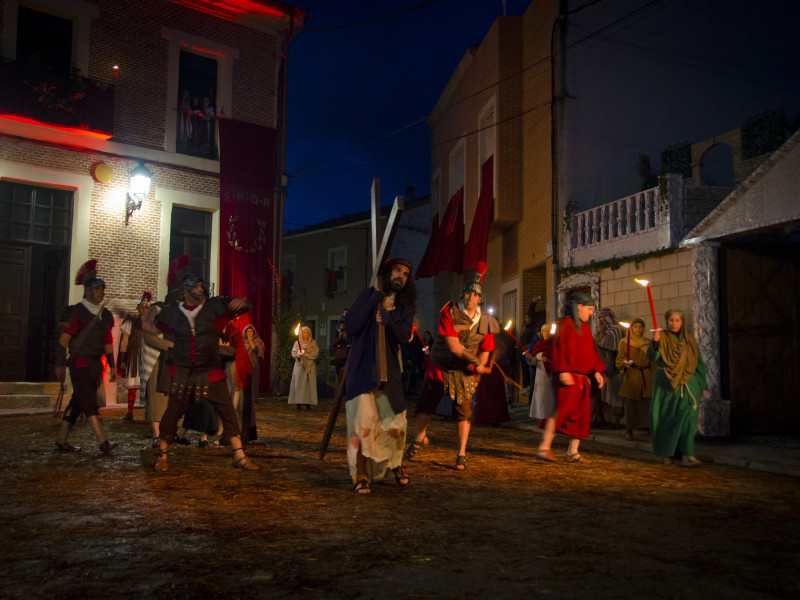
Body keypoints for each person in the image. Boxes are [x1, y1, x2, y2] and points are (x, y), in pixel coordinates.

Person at [142, 265, 257, 472]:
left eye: (201, 286)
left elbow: (243, 307)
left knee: (228, 412)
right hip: (184, 373)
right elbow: (152, 327)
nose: (200, 289)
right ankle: (163, 456)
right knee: (172, 414)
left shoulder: (213, 307)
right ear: (186, 291)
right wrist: (147, 321)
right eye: (196, 287)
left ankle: (239, 456)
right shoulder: (174, 313)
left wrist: (244, 303)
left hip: (210, 370)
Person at [404, 265, 498, 470]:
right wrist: (476, 362)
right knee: (426, 407)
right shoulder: (449, 312)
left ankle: (461, 453)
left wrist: (482, 364)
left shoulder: (486, 321)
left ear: (480, 299)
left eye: (475, 294)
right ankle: (418, 439)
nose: (470, 296)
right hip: (441, 366)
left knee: (463, 413)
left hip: (463, 373)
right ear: (462, 294)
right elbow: (454, 348)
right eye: (468, 292)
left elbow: (486, 348)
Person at [345, 258, 416, 494]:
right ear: (387, 273)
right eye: (397, 270)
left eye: (406, 274)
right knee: (363, 423)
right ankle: (361, 474)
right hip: (363, 367)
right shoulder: (367, 295)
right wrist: (373, 301)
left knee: (395, 422)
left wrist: (388, 321)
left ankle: (394, 463)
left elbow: (405, 336)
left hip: (390, 371)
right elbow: (350, 326)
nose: (401, 276)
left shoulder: (404, 306)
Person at [53, 260, 118, 456]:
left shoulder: (105, 314)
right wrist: (59, 365)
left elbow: (107, 343)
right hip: (79, 363)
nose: (101, 293)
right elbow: (63, 341)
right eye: (98, 289)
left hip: (95, 364)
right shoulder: (75, 312)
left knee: (78, 401)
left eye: (102, 289)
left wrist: (113, 366)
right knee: (89, 402)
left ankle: (61, 440)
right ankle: (102, 442)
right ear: (88, 291)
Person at [535, 291, 606, 463]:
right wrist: (563, 370)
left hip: (582, 379)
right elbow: (558, 347)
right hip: (567, 377)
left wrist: (596, 371)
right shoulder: (565, 324)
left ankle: (572, 452)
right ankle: (544, 448)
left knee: (582, 415)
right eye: (589, 309)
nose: (591, 313)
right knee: (562, 411)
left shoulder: (586, 328)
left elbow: (591, 351)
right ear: (579, 307)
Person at [648, 310, 707, 466]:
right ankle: (669, 452)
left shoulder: (690, 340)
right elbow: (653, 357)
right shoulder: (663, 338)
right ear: (667, 322)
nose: (674, 323)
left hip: (689, 383)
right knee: (667, 419)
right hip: (666, 383)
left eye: (677, 320)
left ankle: (688, 454)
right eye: (671, 320)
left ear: (682, 322)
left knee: (689, 415)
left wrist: (702, 384)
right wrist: (655, 343)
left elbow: (698, 362)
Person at [616, 318, 656, 441]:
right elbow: (619, 359)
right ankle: (629, 430)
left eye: (640, 326)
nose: (638, 329)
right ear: (631, 329)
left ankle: (648, 428)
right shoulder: (625, 343)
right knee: (630, 404)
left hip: (646, 375)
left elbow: (653, 360)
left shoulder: (648, 343)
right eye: (635, 326)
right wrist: (625, 364)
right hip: (632, 375)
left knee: (647, 403)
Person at [117, 290, 151, 421]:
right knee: (133, 384)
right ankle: (130, 412)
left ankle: (149, 412)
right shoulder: (130, 322)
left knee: (148, 385)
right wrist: (122, 359)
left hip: (147, 356)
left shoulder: (151, 323)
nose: (143, 309)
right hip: (133, 356)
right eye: (141, 307)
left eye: (145, 307)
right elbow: (124, 342)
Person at [594, 308, 624, 428]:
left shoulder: (615, 329)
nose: (602, 320)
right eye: (600, 317)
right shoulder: (599, 331)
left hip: (612, 367)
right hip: (601, 367)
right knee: (601, 395)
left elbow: (607, 343)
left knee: (613, 395)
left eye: (604, 317)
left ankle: (613, 420)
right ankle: (600, 418)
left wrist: (601, 331)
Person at [526, 324, 555, 421]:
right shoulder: (538, 345)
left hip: (549, 373)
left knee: (549, 395)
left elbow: (557, 357)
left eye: (547, 331)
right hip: (540, 372)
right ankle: (541, 415)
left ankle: (549, 415)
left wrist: (549, 359)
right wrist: (530, 357)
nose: (546, 333)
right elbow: (534, 361)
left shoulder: (553, 344)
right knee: (540, 395)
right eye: (544, 331)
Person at [241, 323, 265, 442]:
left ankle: (253, 398)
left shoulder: (257, 341)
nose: (249, 334)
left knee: (252, 384)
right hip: (244, 366)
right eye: (248, 332)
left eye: (251, 332)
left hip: (253, 365)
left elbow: (256, 351)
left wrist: (251, 341)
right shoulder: (241, 341)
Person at [288, 326, 319, 409]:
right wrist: (299, 354)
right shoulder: (297, 343)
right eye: (304, 332)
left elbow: (315, 353)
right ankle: (298, 402)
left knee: (308, 384)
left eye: (308, 332)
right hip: (300, 366)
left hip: (309, 366)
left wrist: (307, 355)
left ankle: (308, 403)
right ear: (301, 333)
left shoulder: (313, 343)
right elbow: (294, 353)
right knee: (299, 383)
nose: (306, 334)